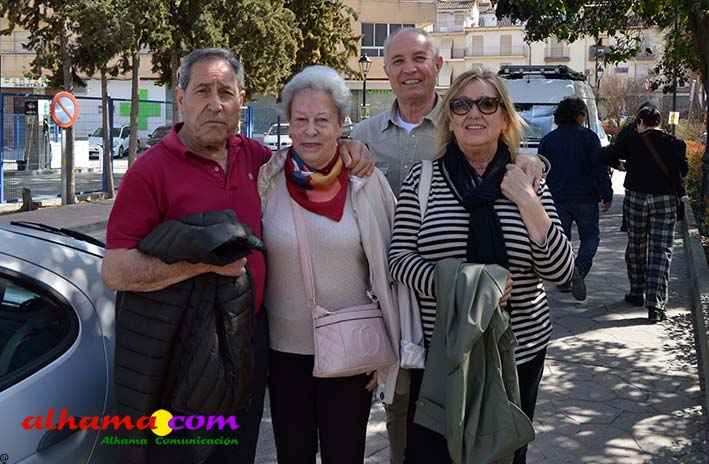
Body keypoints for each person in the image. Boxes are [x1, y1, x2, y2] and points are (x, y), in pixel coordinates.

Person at [100, 48, 373, 463]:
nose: (215, 104)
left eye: (225, 92)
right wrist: (202, 262)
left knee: (237, 454)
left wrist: (350, 146)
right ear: (180, 98)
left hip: (246, 346)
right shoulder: (149, 171)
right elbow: (116, 270)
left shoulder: (258, 160)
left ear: (240, 100)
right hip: (181, 355)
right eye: (202, 91)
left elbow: (313, 152)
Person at [351, 27, 546, 463]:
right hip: (406, 313)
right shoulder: (362, 136)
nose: (409, 69)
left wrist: (535, 166)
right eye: (397, 61)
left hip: (488, 330)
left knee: (493, 441)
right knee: (411, 428)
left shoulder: (470, 123)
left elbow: (514, 156)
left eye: (419, 58)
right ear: (386, 71)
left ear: (438, 65)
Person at [388, 69, 575, 464]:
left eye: (487, 103)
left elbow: (561, 270)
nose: (474, 113)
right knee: (431, 454)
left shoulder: (527, 180)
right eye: (461, 105)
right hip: (442, 353)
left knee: (502, 454)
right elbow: (399, 260)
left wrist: (527, 201)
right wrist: (468, 286)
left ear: (504, 117)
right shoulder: (422, 179)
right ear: (450, 119)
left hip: (518, 352)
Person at [257, 65, 401, 463]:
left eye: (322, 120)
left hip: (351, 352)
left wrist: (385, 347)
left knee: (344, 455)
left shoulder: (366, 182)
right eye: (300, 120)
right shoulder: (268, 178)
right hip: (283, 355)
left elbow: (389, 267)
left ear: (341, 125)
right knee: (293, 455)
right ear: (288, 124)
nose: (310, 131)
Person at [601, 105, 688, 322]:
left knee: (636, 245)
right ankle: (655, 305)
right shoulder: (676, 143)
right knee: (661, 250)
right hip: (665, 200)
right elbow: (683, 170)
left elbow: (606, 154)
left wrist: (620, 165)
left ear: (640, 123)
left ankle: (636, 291)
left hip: (636, 198)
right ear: (660, 122)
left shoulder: (632, 141)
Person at [538, 97, 613, 301]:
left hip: (556, 198)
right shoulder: (589, 138)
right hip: (585, 197)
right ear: (579, 116)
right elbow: (600, 169)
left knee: (560, 240)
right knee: (590, 237)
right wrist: (607, 194)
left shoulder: (548, 140)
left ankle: (563, 279)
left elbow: (541, 172)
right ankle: (579, 269)